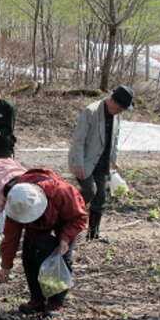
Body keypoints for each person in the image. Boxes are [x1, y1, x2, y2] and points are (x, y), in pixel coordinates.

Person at [0, 167, 87, 318]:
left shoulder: (63, 192)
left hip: (66, 221)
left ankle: (56, 303)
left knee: (61, 259)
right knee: (30, 254)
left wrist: (65, 239)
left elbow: (79, 218)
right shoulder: (16, 201)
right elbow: (11, 237)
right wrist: (6, 265)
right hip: (37, 226)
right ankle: (37, 300)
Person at [68, 86, 133, 241]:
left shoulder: (117, 116)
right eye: (120, 108)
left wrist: (113, 159)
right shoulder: (91, 112)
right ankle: (67, 215)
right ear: (112, 101)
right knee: (90, 191)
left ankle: (93, 234)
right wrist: (79, 164)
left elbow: (114, 139)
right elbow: (78, 141)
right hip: (85, 161)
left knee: (100, 198)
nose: (121, 111)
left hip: (102, 163)